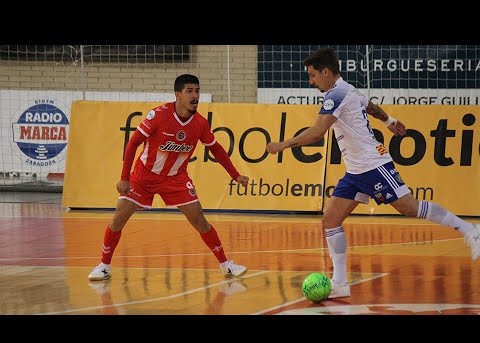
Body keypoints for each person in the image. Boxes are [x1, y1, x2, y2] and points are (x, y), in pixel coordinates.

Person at [266, 48, 480, 299]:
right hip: (356, 171)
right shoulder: (349, 89)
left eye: (313, 76)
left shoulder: (336, 94)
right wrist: (388, 120)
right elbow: (369, 105)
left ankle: (470, 230)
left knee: (410, 208)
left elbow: (317, 132)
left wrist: (283, 145)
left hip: (374, 166)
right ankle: (340, 283)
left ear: (325, 72)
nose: (311, 81)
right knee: (330, 220)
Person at [88, 74, 249, 281]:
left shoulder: (200, 123)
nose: (195, 96)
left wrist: (235, 175)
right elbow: (133, 144)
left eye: (197, 91)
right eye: (189, 91)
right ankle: (104, 266)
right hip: (143, 176)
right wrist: (124, 178)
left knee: (200, 220)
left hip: (176, 179)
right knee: (118, 218)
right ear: (178, 95)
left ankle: (227, 265)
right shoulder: (158, 115)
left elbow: (216, 149)